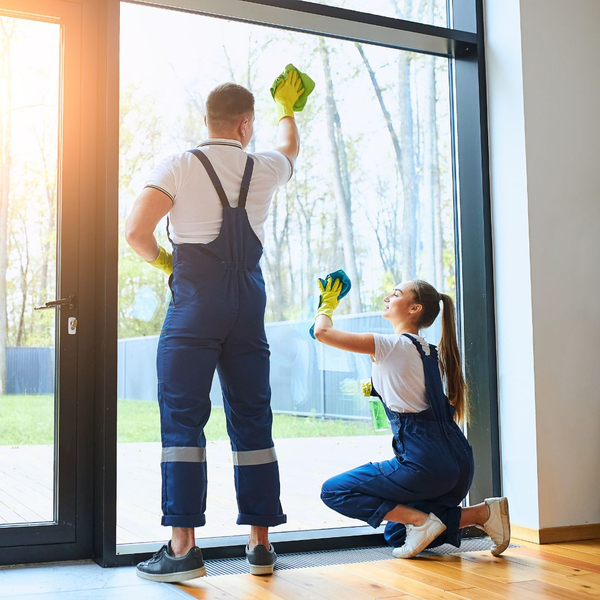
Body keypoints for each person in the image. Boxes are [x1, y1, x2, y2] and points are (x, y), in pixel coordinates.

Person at [126, 70, 307, 582]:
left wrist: (167, 262)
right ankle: (261, 546)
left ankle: (183, 550)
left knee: (184, 422)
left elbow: (136, 233)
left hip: (194, 309)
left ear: (207, 121)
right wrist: (288, 107)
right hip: (247, 309)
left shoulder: (179, 165)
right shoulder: (266, 165)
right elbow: (290, 147)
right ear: (246, 125)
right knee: (253, 419)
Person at [312, 277, 510, 558]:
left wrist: (327, 304)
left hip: (425, 463)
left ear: (415, 308)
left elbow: (322, 333)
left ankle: (421, 520)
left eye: (395, 294)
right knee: (396, 533)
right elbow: (413, 392)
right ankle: (482, 513)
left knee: (334, 491)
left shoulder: (391, 345)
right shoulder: (431, 352)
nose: (387, 298)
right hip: (458, 461)